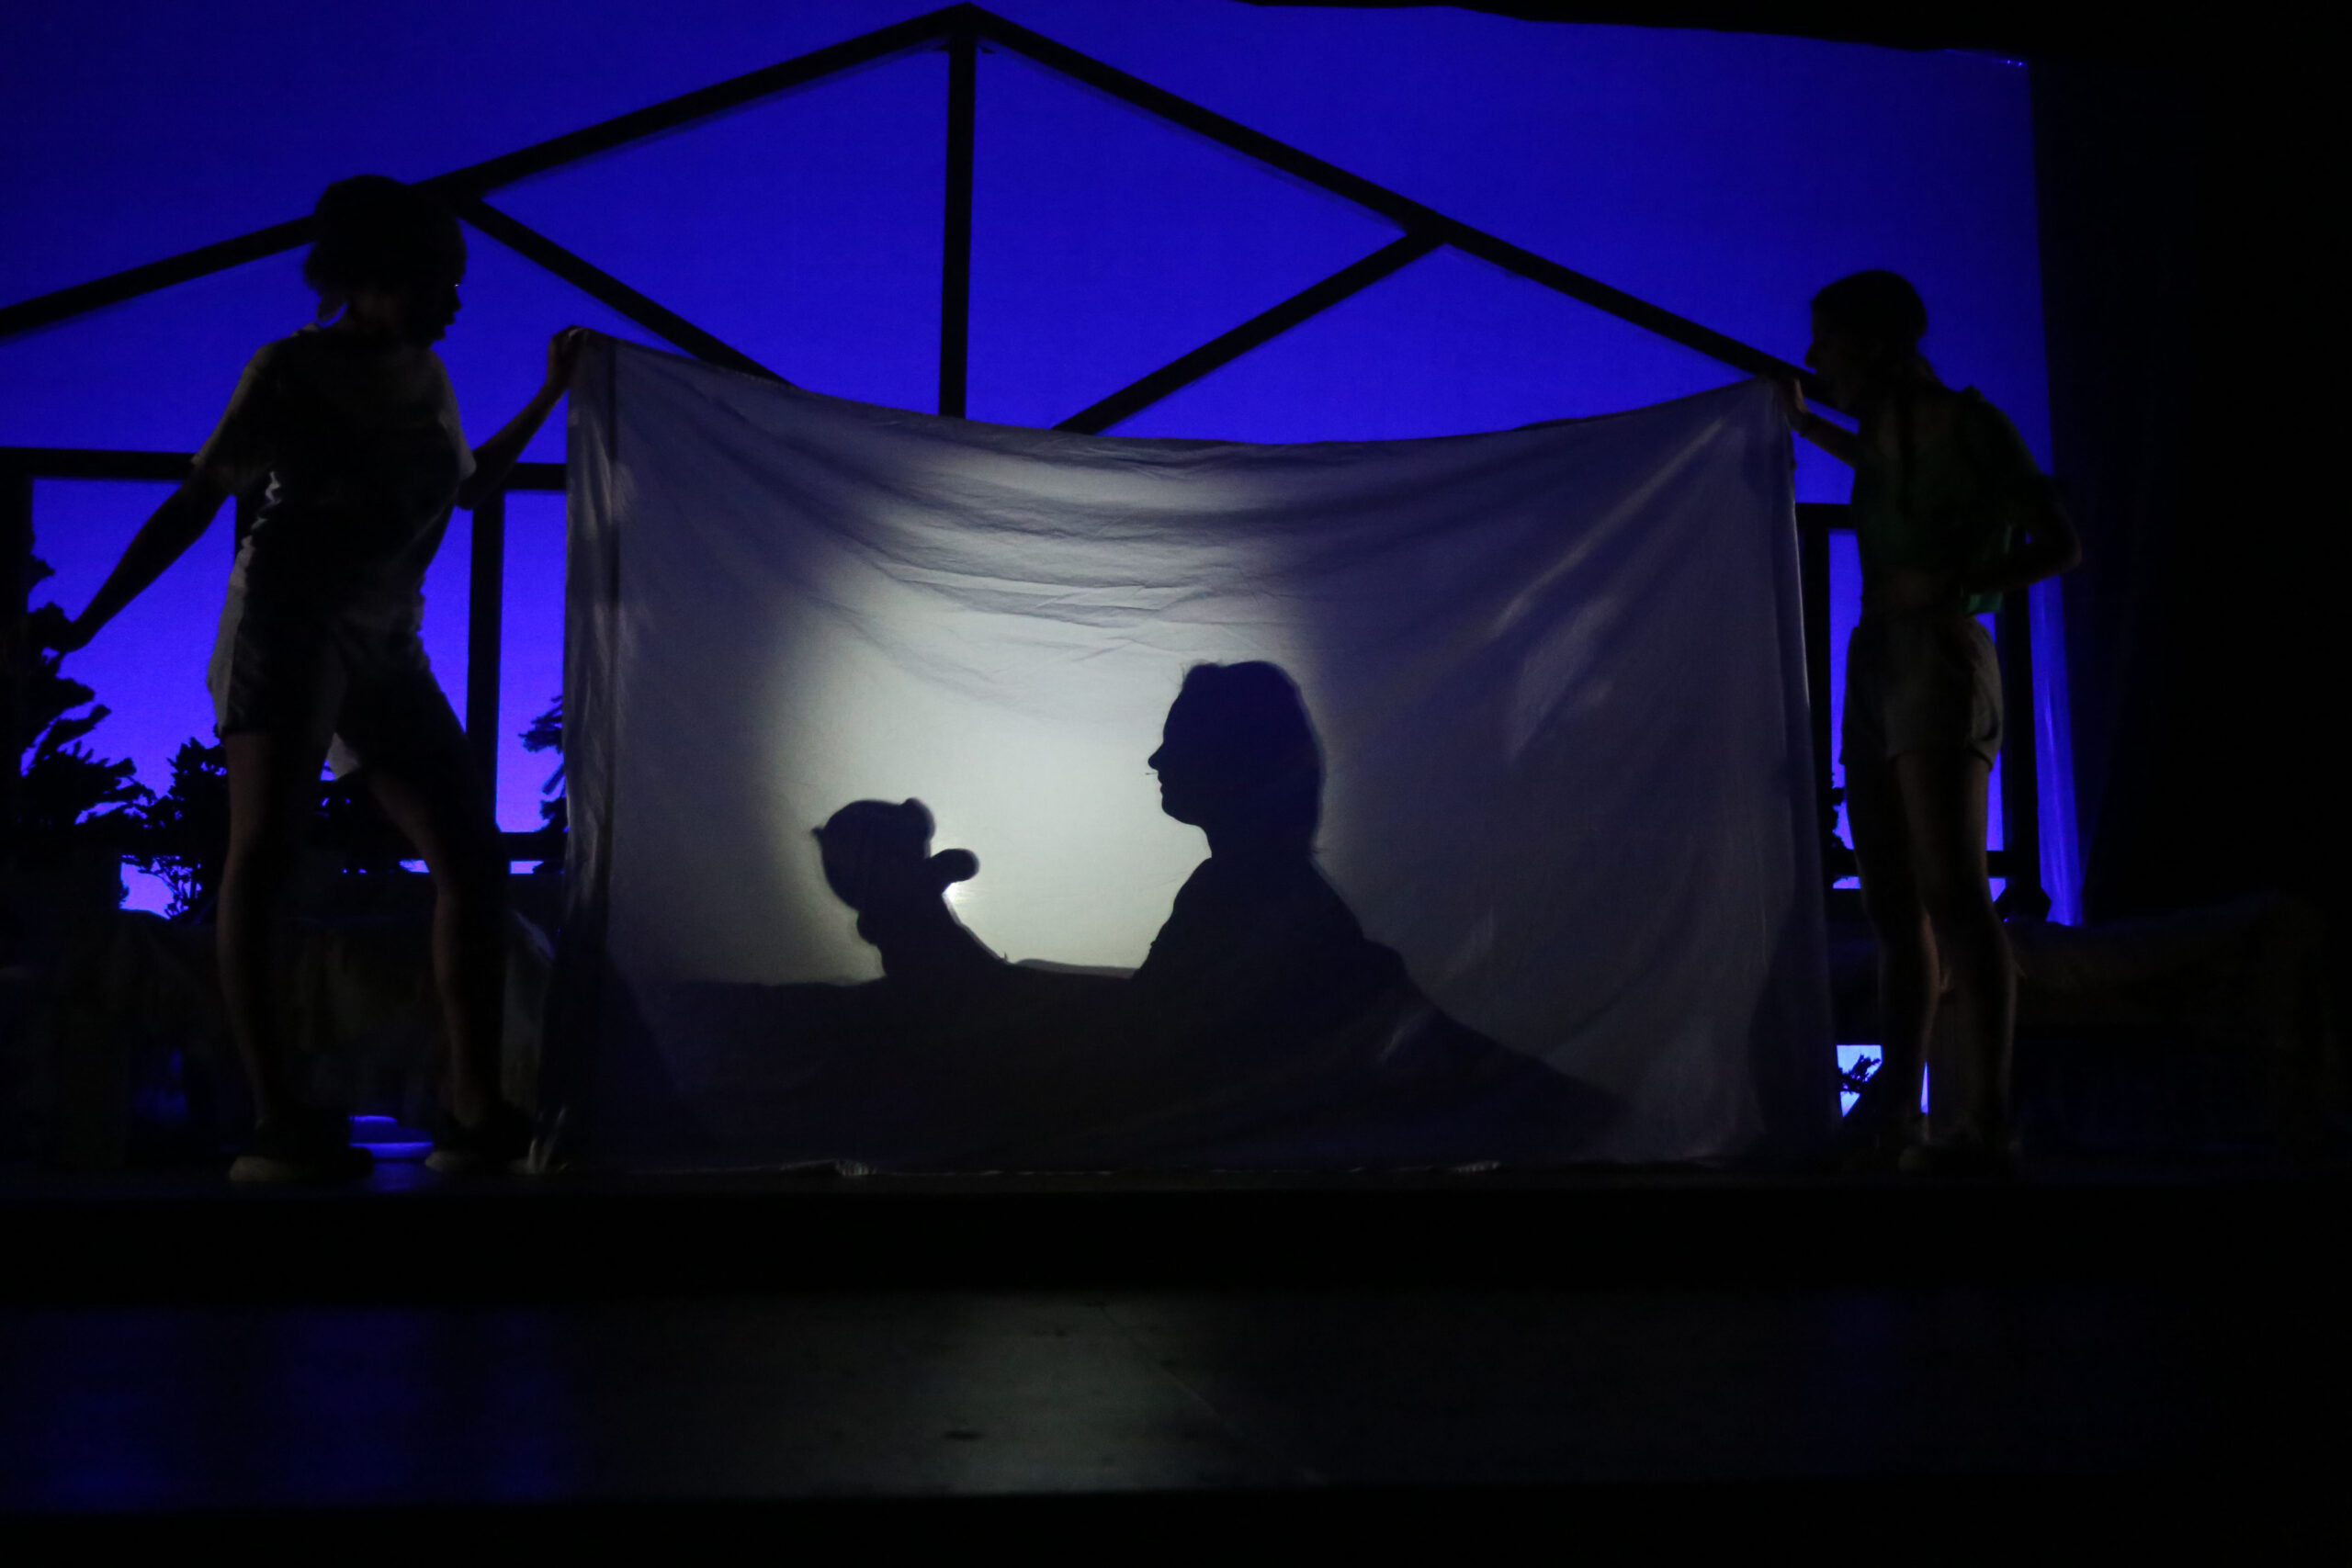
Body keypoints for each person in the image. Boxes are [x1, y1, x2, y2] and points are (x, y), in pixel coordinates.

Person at [42, 175, 583, 1180]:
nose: (458, 302)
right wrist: (95, 618)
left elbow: (468, 488)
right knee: (266, 859)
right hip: (286, 636)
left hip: (387, 644)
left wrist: (553, 392)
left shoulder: (429, 375)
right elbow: (199, 496)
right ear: (377, 277)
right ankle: (277, 1113)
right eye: (442, 280)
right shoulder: (290, 370)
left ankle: (475, 1104)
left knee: (469, 855)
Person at [1785, 270, 2079, 1175]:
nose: (1815, 359)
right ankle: (1898, 1112)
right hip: (1877, 659)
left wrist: (1954, 585)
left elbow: (2060, 544)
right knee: (1889, 902)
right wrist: (1794, 419)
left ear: (1875, 345)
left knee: (1952, 892)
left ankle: (1979, 1121)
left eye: (1828, 344)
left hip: (1940, 657)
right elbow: (1873, 463)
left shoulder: (1972, 424)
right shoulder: (1881, 431)